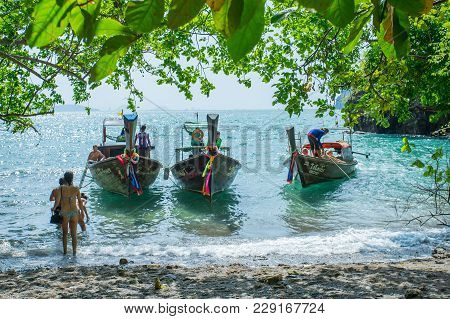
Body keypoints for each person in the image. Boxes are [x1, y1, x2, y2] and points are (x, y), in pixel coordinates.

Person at [52, 171, 84, 256]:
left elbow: (57, 201)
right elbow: (80, 202)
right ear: (72, 178)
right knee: (74, 234)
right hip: (74, 212)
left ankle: (65, 253)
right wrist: (82, 212)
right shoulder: (76, 188)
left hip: (65, 213)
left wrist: (54, 208)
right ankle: (74, 253)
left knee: (65, 234)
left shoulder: (61, 188)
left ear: (65, 178)